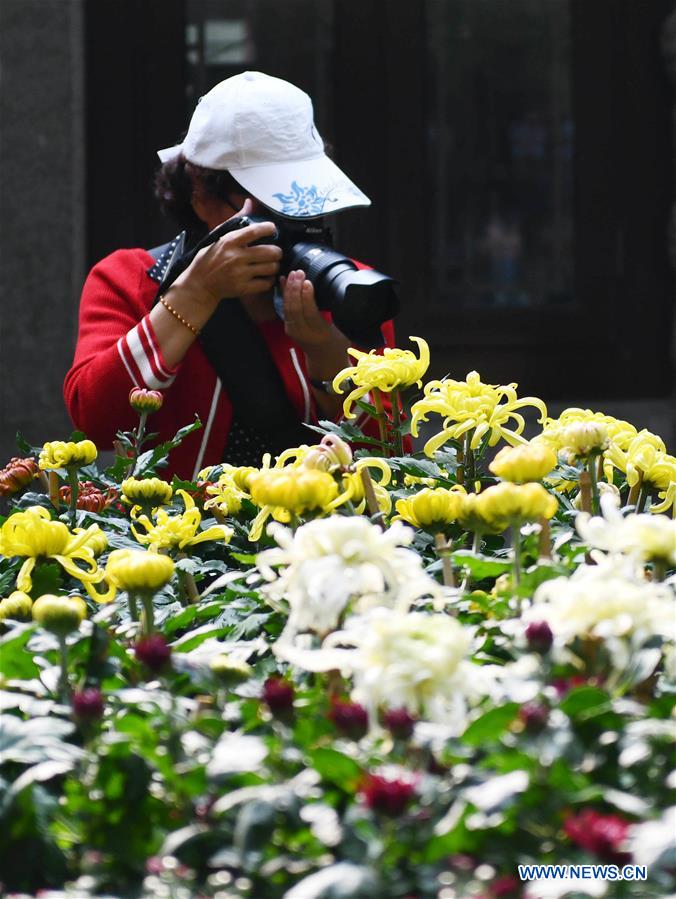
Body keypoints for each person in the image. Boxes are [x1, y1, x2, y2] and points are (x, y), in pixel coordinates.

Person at [64, 71, 397, 479]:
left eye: (301, 195)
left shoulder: (348, 287)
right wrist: (195, 293)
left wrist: (326, 354)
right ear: (200, 193)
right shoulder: (131, 278)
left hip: (314, 535)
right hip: (175, 536)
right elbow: (96, 422)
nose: (289, 213)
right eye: (268, 198)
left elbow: (390, 458)